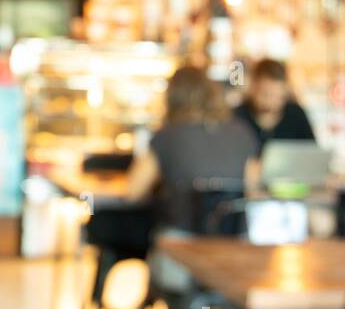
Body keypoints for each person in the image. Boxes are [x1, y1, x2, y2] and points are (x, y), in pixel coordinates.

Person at [127, 66, 260, 231]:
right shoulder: (242, 132)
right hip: (232, 246)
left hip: (178, 246)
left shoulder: (167, 135)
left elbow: (133, 192)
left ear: (172, 97)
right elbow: (254, 195)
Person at [234, 58, 316, 153]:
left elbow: (313, 152)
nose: (270, 101)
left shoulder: (296, 115)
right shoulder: (237, 118)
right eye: (265, 94)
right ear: (253, 86)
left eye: (276, 96)